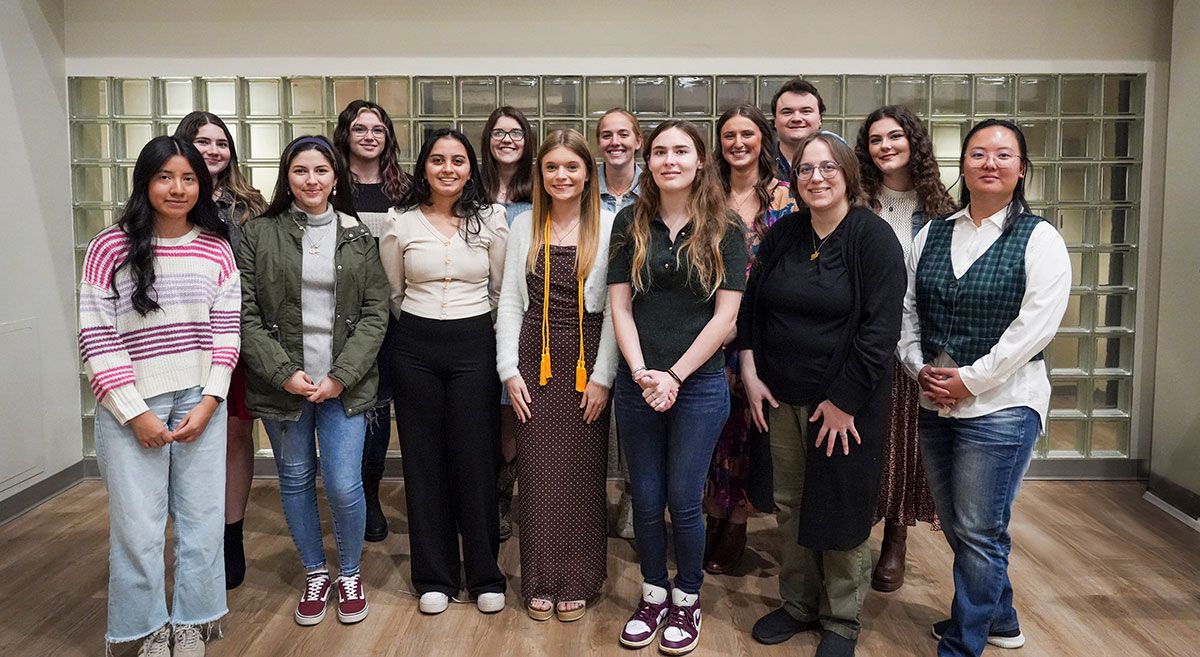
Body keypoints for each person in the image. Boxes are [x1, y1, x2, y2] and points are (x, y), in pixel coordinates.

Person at [899, 119, 1070, 657]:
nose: (989, 163)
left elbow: (1036, 325)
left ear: (1022, 168)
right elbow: (908, 310)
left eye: (1002, 154)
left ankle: (964, 641)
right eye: (978, 153)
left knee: (978, 526)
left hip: (1004, 403)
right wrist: (914, 366)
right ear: (963, 164)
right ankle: (1001, 618)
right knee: (958, 523)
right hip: (933, 396)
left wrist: (972, 380)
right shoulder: (933, 232)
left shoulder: (1040, 237)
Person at [742, 132, 905, 657]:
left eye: (827, 168)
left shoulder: (872, 239)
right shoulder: (784, 234)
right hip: (780, 396)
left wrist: (844, 401)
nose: (815, 177)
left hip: (844, 407)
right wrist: (749, 369)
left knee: (840, 505)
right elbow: (752, 309)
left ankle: (841, 619)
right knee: (789, 504)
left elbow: (880, 331)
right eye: (806, 169)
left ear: (848, 175)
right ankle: (798, 603)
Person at [80, 135, 238, 657]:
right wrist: (133, 411)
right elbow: (96, 336)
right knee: (137, 526)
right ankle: (145, 629)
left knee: (201, 519)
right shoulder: (110, 248)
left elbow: (226, 332)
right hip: (131, 407)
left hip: (200, 402)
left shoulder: (217, 248)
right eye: (165, 177)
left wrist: (211, 401)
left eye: (189, 178)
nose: (178, 188)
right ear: (145, 182)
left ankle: (193, 621)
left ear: (203, 184)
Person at [608, 120, 748, 655]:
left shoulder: (726, 228)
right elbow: (621, 306)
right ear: (650, 160)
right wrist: (645, 372)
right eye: (661, 151)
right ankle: (651, 593)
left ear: (699, 161)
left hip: (699, 385)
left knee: (684, 500)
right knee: (645, 499)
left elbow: (725, 318)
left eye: (681, 151)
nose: (670, 160)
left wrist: (674, 376)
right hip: (637, 382)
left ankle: (686, 599)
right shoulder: (630, 222)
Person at [238, 135, 389, 627]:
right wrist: (284, 374)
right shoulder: (258, 234)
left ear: (335, 177)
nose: (312, 180)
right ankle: (314, 571)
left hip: (344, 388)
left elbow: (374, 313)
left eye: (321, 171)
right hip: (283, 386)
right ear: (287, 177)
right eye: (301, 171)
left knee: (345, 485)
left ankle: (349, 572)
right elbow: (245, 314)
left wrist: (341, 377)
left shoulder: (358, 234)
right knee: (297, 480)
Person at [379, 128, 510, 615]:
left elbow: (500, 290)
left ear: (471, 168)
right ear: (424, 168)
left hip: (475, 344)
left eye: (458, 160)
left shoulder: (491, 219)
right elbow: (394, 292)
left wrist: (476, 330)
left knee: (476, 458)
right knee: (422, 460)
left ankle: (484, 575)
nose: (448, 168)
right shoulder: (400, 222)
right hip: (414, 346)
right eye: (438, 160)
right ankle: (434, 575)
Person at [495, 129, 619, 622]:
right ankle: (541, 578)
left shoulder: (611, 225)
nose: (561, 176)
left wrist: (604, 376)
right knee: (539, 473)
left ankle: (580, 579)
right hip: (534, 362)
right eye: (552, 168)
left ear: (589, 173)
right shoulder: (523, 224)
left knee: (583, 473)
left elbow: (617, 310)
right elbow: (508, 301)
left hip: (588, 362)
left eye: (572, 167)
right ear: (540, 174)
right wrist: (508, 369)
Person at [854, 104, 958, 592]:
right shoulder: (855, 202)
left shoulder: (943, 210)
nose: (885, 147)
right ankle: (853, 534)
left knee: (905, 447)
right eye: (876, 140)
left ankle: (895, 538)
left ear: (913, 142)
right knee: (862, 443)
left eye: (894, 137)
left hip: (915, 347)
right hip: (862, 341)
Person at [172, 111, 266, 591]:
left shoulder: (250, 206)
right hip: (179, 342)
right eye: (202, 142)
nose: (213, 151)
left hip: (237, 340)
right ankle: (193, 537)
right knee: (187, 440)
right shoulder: (168, 199)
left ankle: (231, 535)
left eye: (221, 143)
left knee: (233, 438)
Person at [703, 103, 796, 575]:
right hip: (707, 330)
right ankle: (711, 516)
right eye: (728, 136)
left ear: (763, 138)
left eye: (747, 134)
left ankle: (736, 520)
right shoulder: (707, 195)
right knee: (712, 429)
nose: (738, 144)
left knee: (746, 430)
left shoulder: (786, 197)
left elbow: (791, 268)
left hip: (760, 329)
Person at [332, 99, 412, 543]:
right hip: (350, 319)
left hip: (401, 316)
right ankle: (361, 495)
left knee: (385, 407)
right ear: (345, 134)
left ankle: (375, 491)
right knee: (362, 408)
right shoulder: (330, 185)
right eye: (360, 128)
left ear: (388, 137)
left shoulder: (406, 188)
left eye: (377, 129)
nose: (369, 136)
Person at [480, 105, 535, 542]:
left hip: (522, 318)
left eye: (515, 133)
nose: (507, 140)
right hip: (472, 317)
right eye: (499, 132)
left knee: (513, 412)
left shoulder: (539, 192)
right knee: (483, 415)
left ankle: (510, 496)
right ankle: (488, 497)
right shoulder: (469, 187)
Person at [771, 78, 825, 180]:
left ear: (820, 119)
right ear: (775, 121)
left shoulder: (838, 162)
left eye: (806, 111)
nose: (797, 118)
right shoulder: (760, 165)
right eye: (787, 112)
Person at [597, 108, 644, 215]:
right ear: (598, 143)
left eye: (623, 135)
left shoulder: (654, 190)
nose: (615, 142)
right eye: (606, 136)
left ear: (638, 141)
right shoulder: (584, 190)